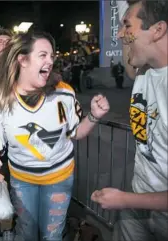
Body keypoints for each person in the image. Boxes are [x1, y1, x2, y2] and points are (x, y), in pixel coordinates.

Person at [0, 30, 110, 241]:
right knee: (26, 233)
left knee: (53, 235)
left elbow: (76, 133)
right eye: (43, 55)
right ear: (22, 60)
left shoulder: (64, 93)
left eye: (52, 56)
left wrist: (94, 116)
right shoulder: (0, 99)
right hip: (22, 181)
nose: (50, 61)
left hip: (60, 177)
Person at [91, 1, 168, 241]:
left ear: (157, 30)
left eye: (127, 26)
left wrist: (124, 200)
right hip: (137, 200)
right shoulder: (145, 70)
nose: (119, 34)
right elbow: (131, 65)